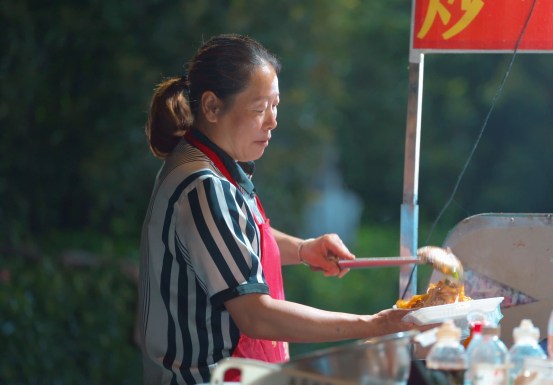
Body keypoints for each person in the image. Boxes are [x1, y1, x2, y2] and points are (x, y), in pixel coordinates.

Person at [138, 34, 419, 385]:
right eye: (259, 108)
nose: (271, 121)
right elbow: (257, 316)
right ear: (211, 107)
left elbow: (236, 235)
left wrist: (303, 249)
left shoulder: (202, 165)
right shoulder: (203, 185)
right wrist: (374, 324)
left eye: (276, 106)